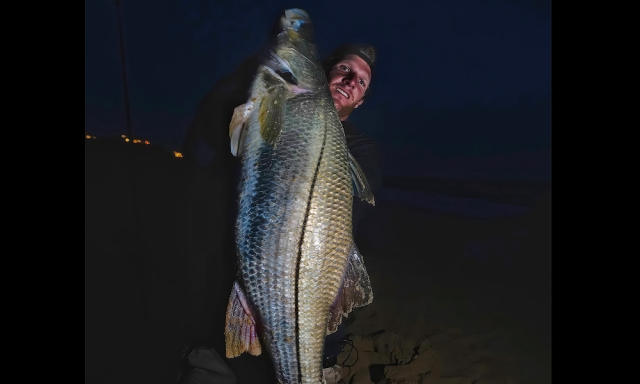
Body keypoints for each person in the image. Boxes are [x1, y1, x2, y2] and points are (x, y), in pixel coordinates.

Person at [180, 43, 381, 384]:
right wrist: (259, 76)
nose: (350, 81)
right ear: (325, 73)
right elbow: (215, 138)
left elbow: (343, 217)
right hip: (231, 296)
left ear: (360, 102)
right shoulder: (275, 109)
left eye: (361, 82)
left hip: (308, 315)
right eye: (345, 70)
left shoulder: (360, 149)